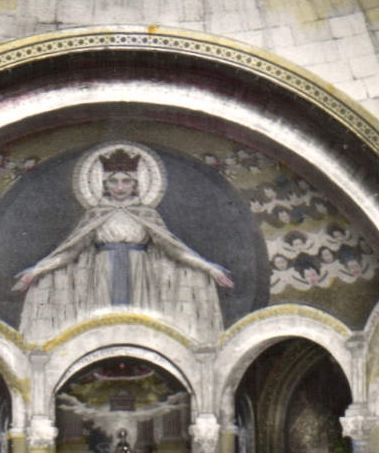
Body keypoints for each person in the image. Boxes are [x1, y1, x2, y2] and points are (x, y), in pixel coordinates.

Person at [13, 143, 233, 342]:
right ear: (104, 184)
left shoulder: (146, 214)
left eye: (126, 181)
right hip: (103, 274)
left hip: (139, 276)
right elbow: (69, 252)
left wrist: (210, 269)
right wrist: (36, 271)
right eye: (114, 181)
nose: (120, 187)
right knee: (103, 327)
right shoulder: (95, 215)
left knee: (139, 325)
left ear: (136, 184)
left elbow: (175, 250)